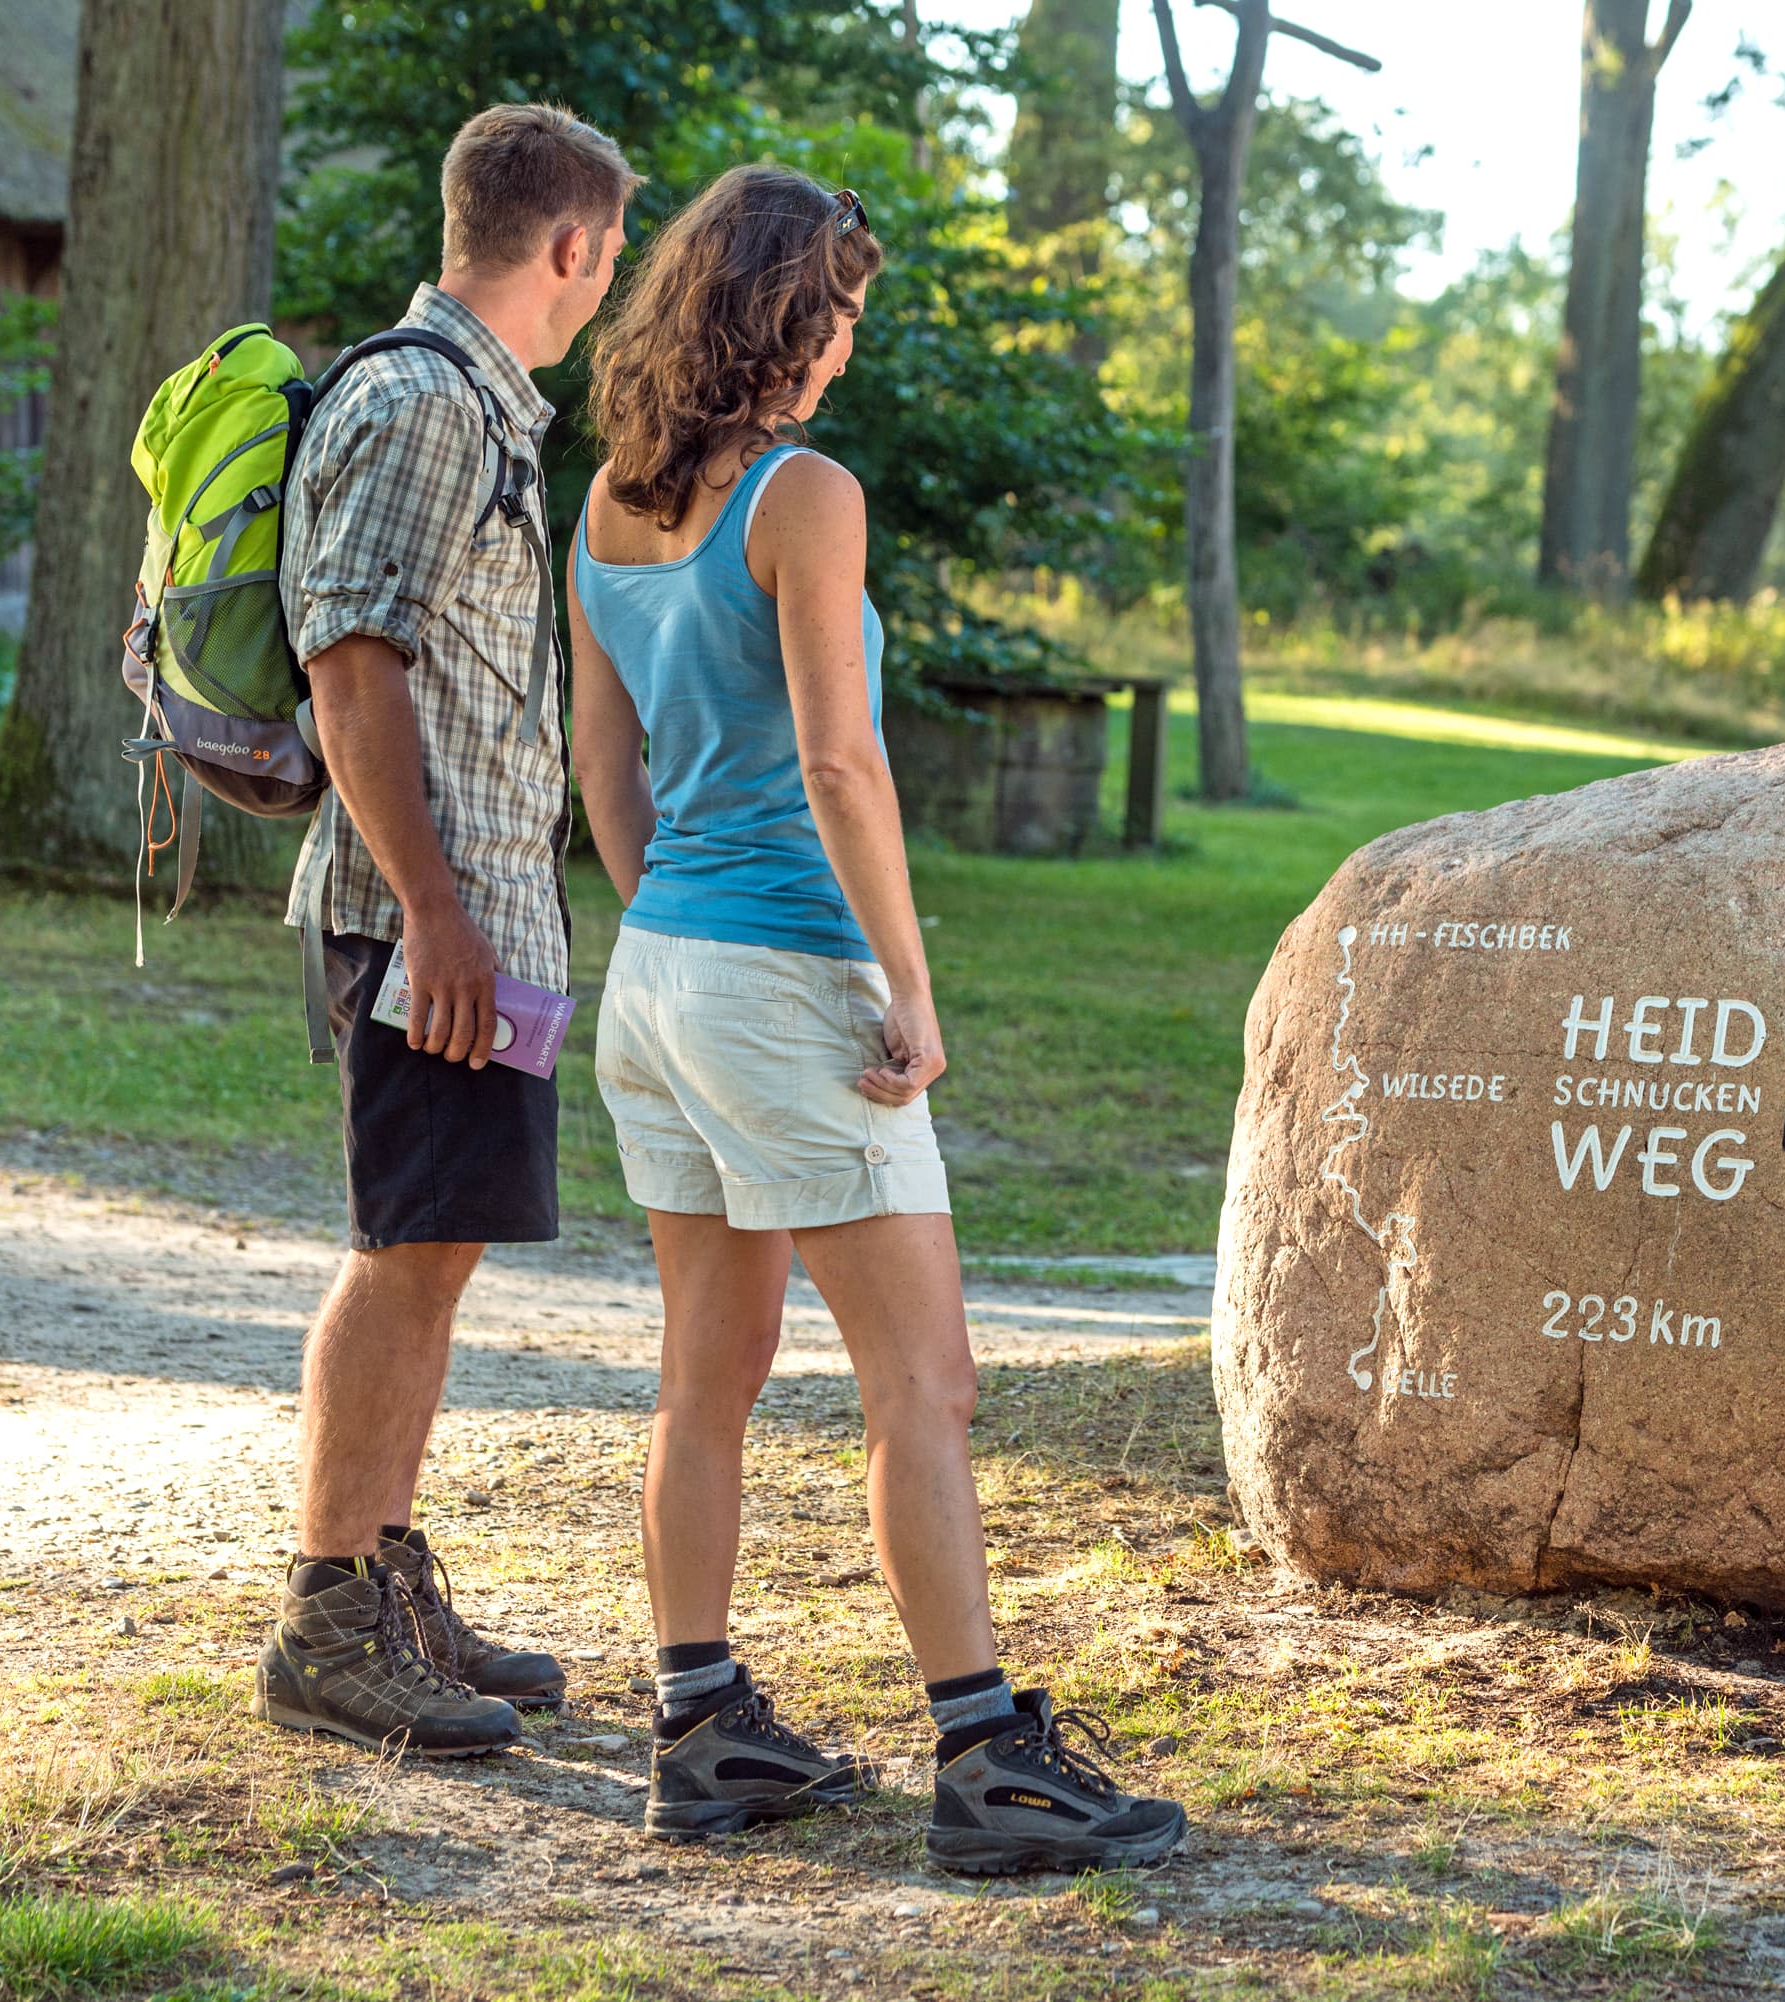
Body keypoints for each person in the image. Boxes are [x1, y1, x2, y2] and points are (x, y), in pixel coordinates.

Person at [568, 164, 1188, 1873]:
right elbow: (841, 761)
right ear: (785, 311)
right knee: (928, 1380)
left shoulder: (611, 506)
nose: (846, 344)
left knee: (709, 1376)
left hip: (661, 978)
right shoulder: (803, 496)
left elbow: (602, 770)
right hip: (785, 982)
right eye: (837, 311)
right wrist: (904, 984)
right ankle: (987, 1757)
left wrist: (667, 919)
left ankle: (699, 1731)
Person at [251, 104, 638, 1758]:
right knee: (404, 1245)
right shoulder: (417, 403)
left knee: (449, 1240)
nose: (609, 284)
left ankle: (389, 1576)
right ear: (569, 246)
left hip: (490, 927)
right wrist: (435, 916)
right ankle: (327, 1616)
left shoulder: (481, 412)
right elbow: (352, 667)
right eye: (610, 255)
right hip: (431, 927)